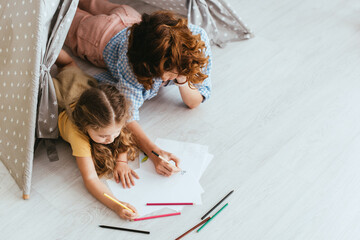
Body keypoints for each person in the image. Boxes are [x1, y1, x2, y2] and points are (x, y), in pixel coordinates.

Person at [65, 0, 212, 177]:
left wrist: (182, 78)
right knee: (61, 13)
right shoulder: (133, 66)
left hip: (129, 17)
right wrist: (154, 152)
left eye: (170, 73)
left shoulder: (197, 39)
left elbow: (195, 101)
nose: (165, 79)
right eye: (161, 74)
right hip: (98, 36)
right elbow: (126, 117)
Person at [54, 50, 139, 220]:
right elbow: (91, 179)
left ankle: (48, 45)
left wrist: (121, 161)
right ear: (87, 127)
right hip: (62, 93)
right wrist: (117, 205)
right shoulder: (78, 134)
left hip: (82, 86)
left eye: (115, 132)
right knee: (63, 69)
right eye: (103, 136)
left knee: (69, 63)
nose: (111, 139)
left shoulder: (112, 117)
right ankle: (45, 47)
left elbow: (122, 137)